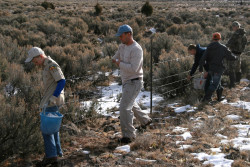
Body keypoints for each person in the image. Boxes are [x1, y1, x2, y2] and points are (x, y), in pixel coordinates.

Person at [25, 47, 66, 166]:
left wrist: (54, 97)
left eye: (34, 60)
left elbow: (62, 81)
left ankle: (51, 157)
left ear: (40, 56)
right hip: (49, 100)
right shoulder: (46, 65)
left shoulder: (51, 64)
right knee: (53, 128)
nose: (34, 63)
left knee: (47, 130)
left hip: (51, 101)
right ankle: (57, 153)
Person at [112, 25, 152, 144]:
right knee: (130, 103)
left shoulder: (136, 49)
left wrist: (119, 63)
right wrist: (116, 60)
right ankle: (145, 120)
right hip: (126, 81)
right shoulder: (122, 46)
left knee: (125, 107)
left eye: (122, 35)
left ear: (129, 34)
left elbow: (134, 68)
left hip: (134, 81)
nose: (120, 38)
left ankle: (129, 135)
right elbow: (115, 57)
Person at [199, 32, 237, 102]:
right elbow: (230, 56)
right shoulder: (222, 47)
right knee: (214, 85)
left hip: (211, 69)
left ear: (213, 38)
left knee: (218, 84)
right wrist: (235, 57)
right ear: (220, 39)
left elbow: (203, 57)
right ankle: (206, 98)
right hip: (218, 69)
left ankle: (219, 98)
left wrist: (201, 66)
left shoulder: (209, 47)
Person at [226, 21, 247, 88]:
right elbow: (245, 43)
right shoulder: (243, 34)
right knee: (238, 69)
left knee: (231, 69)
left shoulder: (236, 35)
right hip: (239, 54)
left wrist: (225, 48)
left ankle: (232, 85)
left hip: (234, 53)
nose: (233, 28)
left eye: (233, 26)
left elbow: (229, 43)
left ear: (236, 27)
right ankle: (238, 83)